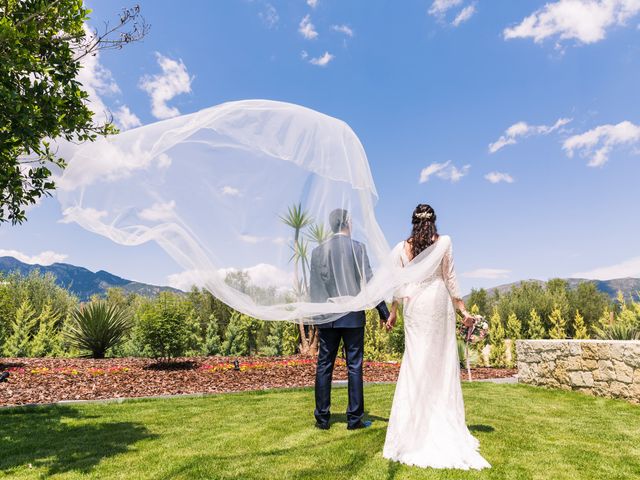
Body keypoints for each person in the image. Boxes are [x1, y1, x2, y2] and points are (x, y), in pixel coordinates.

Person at [382, 204, 491, 470]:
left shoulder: (400, 248)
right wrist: (463, 311)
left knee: (415, 363)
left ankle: (411, 429)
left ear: (413, 222)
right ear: (434, 221)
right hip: (438, 302)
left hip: (414, 305)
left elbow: (398, 285)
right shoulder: (444, 242)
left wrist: (393, 312)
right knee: (440, 366)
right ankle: (439, 422)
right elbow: (450, 278)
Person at [310, 208, 390, 430]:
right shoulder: (358, 248)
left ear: (331, 225)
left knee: (324, 365)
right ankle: (354, 419)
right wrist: (383, 312)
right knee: (354, 366)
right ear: (348, 223)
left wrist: (316, 319)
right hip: (353, 317)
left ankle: (322, 420)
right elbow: (370, 283)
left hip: (327, 317)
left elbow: (314, 288)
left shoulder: (317, 252)